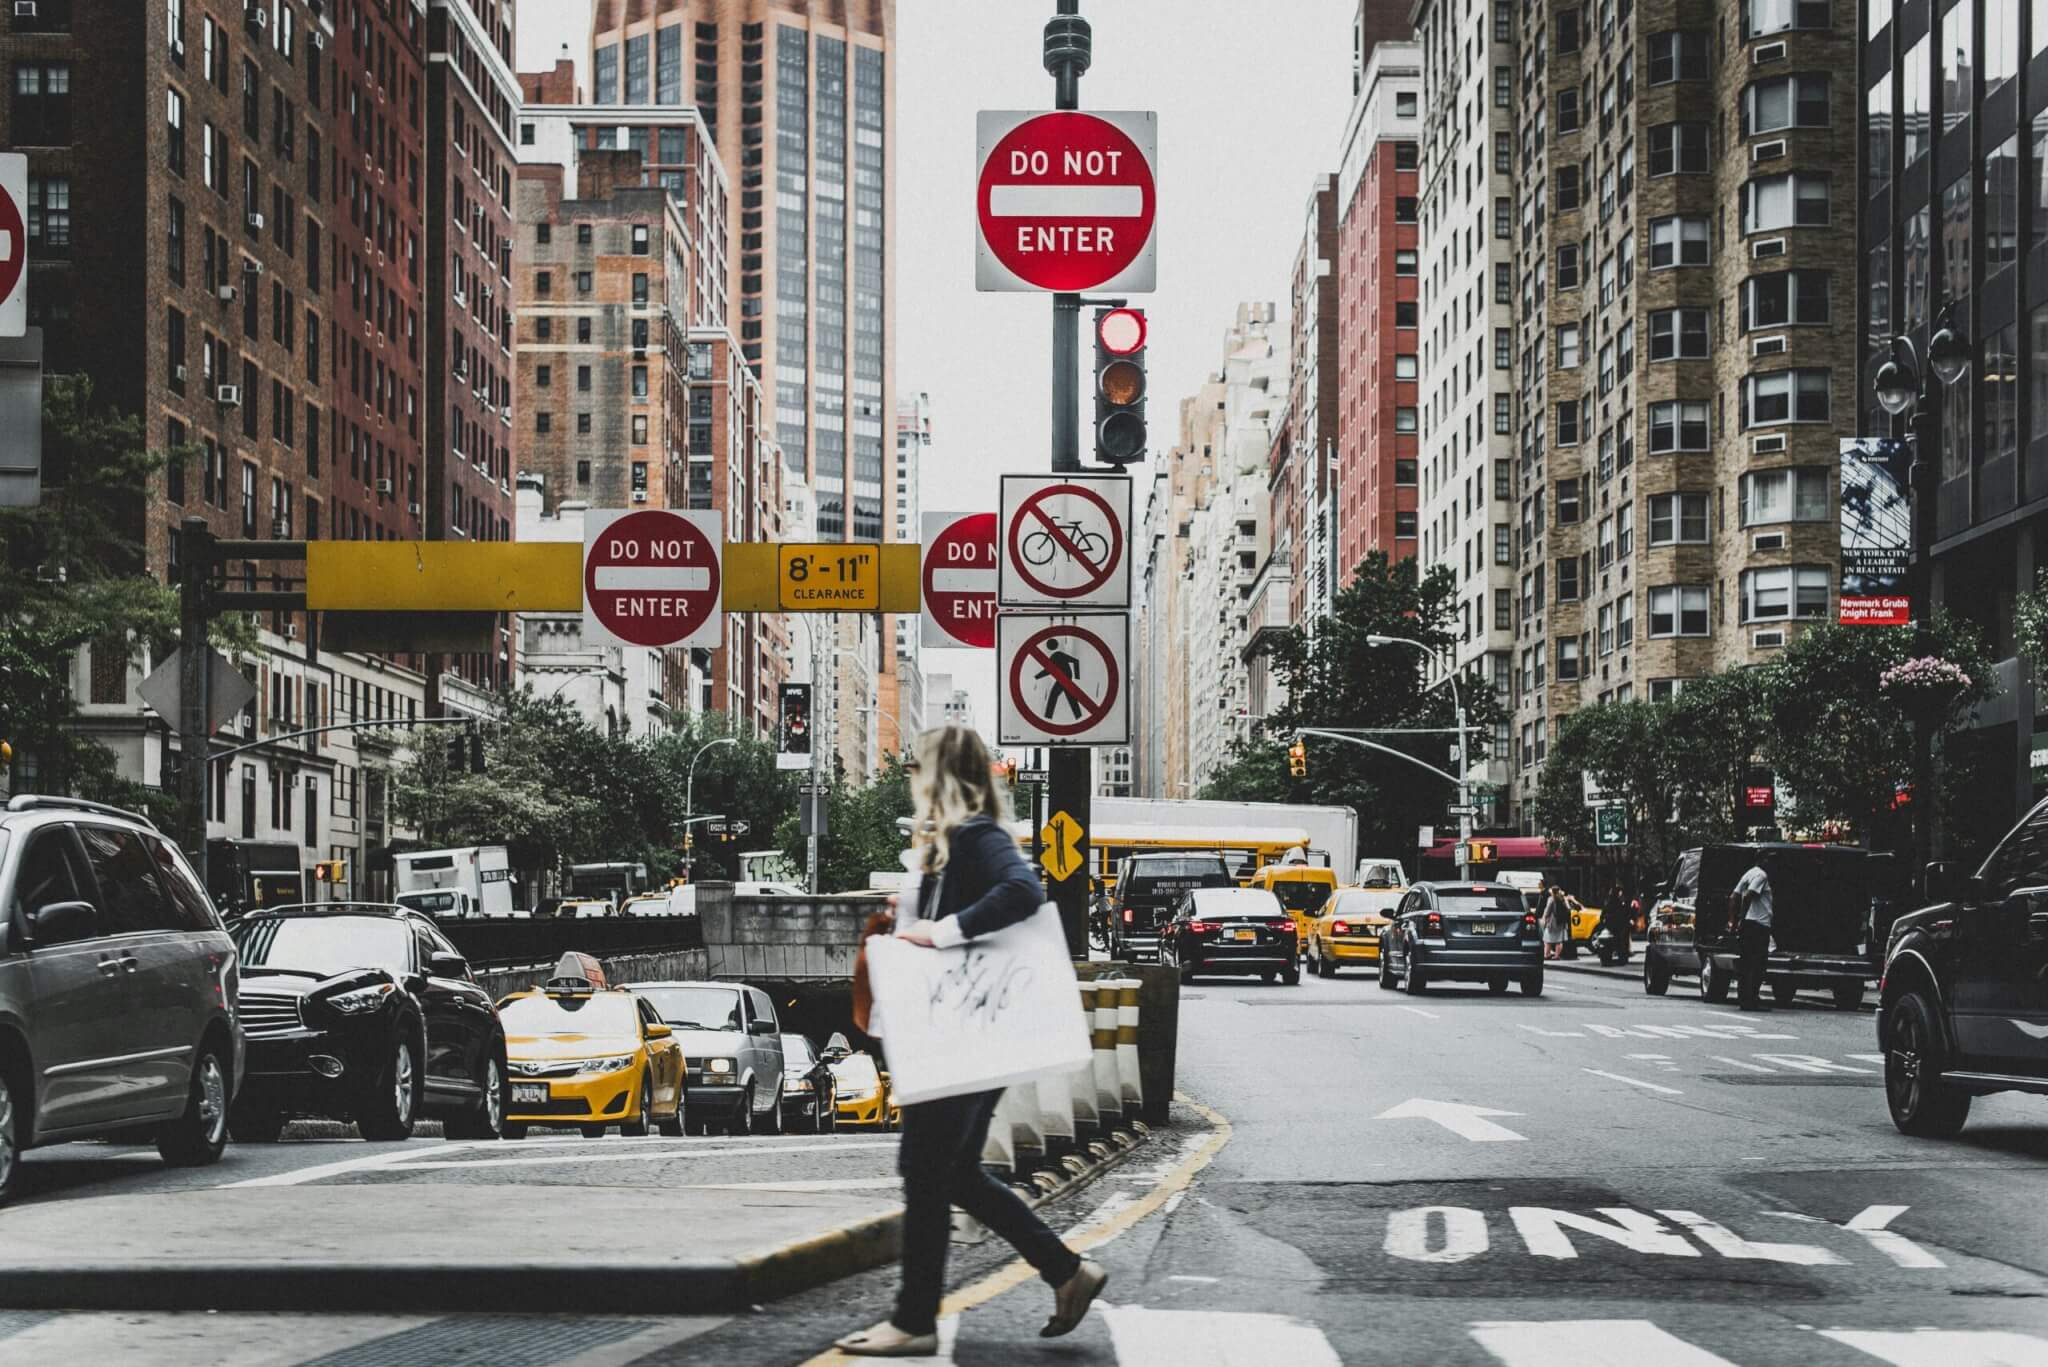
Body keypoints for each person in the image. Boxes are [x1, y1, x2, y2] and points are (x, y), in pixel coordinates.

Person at [835, 725, 1107, 1357]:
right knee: (953, 1172)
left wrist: (939, 933)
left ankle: (914, 1320)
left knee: (924, 1169)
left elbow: (1024, 891)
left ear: (939, 776)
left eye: (917, 770)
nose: (911, 780)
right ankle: (1067, 1271)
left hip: (965, 1034)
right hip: (965, 1033)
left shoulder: (976, 835)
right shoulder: (949, 846)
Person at [1728, 861, 1774, 1011]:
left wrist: (1733, 922)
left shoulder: (1749, 872)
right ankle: (1752, 999)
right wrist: (1741, 918)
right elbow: (1748, 896)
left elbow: (1733, 896)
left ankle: (1744, 999)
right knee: (1758, 964)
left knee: (1746, 963)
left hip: (1749, 925)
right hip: (1759, 925)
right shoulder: (1761, 875)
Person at [1543, 885, 1570, 960]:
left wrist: (1545, 919)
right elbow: (1568, 909)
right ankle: (1556, 956)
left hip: (1552, 922)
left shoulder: (1551, 899)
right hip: (1561, 922)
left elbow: (1547, 911)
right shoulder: (1563, 898)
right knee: (1559, 941)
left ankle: (1547, 954)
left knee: (1547, 939)